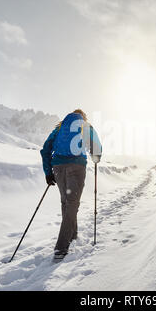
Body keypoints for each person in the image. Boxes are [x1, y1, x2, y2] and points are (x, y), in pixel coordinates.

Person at [40, 109, 102, 261]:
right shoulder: (85, 125)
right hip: (76, 167)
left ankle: (72, 235)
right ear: (83, 116)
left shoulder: (59, 128)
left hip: (58, 168)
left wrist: (48, 172)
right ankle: (61, 247)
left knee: (66, 202)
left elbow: (45, 149)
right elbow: (96, 147)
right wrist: (96, 158)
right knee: (72, 204)